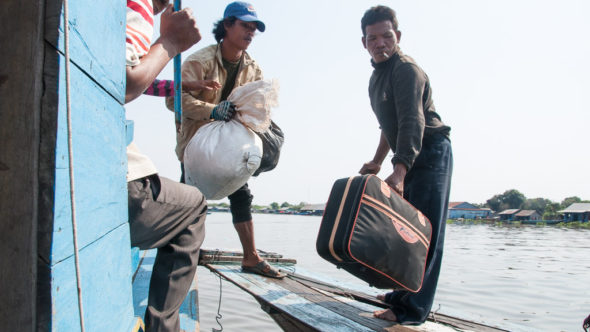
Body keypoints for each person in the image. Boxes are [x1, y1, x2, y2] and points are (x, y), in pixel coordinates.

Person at [165, 1, 285, 279]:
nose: (250, 32)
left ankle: (251, 257)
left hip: (230, 145)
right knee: (190, 198)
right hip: (197, 144)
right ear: (227, 25)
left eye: (254, 28)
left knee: (241, 193)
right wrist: (211, 110)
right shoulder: (200, 61)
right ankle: (181, 253)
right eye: (245, 25)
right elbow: (174, 99)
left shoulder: (253, 69)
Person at [358, 5, 453, 324]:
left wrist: (399, 170)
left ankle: (412, 311)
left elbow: (413, 121)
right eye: (373, 38)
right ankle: (401, 293)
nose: (380, 43)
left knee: (425, 233)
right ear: (364, 43)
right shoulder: (376, 78)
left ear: (397, 36)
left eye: (387, 36)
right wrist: (376, 161)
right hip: (406, 154)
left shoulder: (406, 70)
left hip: (429, 152)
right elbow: (389, 124)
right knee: (402, 231)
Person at [125, 1, 208, 331]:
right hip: (117, 183)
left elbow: (138, 74)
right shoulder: (139, 4)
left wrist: (183, 86)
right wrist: (171, 41)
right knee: (194, 207)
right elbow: (129, 81)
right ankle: (163, 326)